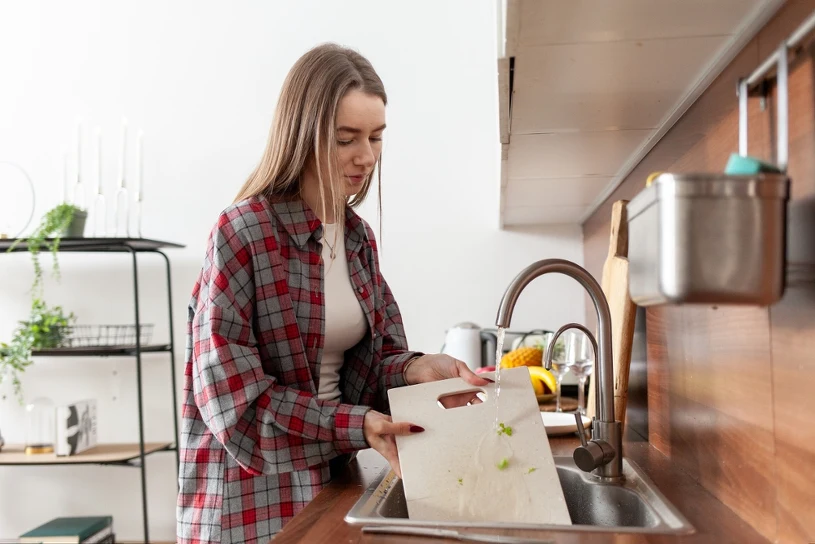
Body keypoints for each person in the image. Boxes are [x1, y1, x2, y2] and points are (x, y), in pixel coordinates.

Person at [176, 43, 490, 543]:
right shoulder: (241, 234)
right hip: (251, 504)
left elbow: (370, 365)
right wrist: (355, 425)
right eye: (347, 139)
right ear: (303, 134)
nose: (366, 156)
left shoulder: (357, 238)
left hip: (333, 484)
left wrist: (415, 369)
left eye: (376, 137)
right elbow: (235, 407)